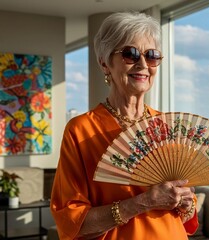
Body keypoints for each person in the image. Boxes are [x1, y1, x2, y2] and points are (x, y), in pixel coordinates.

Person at [50, 11, 198, 239]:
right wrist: (143, 202)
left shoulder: (168, 127)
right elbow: (72, 223)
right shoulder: (80, 131)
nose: (143, 64)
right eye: (130, 54)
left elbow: (187, 216)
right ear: (104, 63)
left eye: (152, 56)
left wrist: (186, 202)